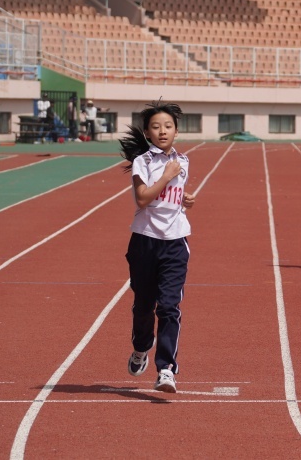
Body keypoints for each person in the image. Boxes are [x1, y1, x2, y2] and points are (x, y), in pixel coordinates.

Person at [118, 100, 197, 394]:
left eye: (168, 126)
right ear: (147, 133)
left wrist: (186, 199)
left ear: (176, 131)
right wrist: (166, 176)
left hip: (175, 242)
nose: (162, 131)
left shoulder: (183, 161)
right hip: (145, 241)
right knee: (143, 306)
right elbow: (142, 199)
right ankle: (141, 347)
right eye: (156, 127)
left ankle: (166, 369)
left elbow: (172, 197)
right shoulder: (144, 162)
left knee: (169, 306)